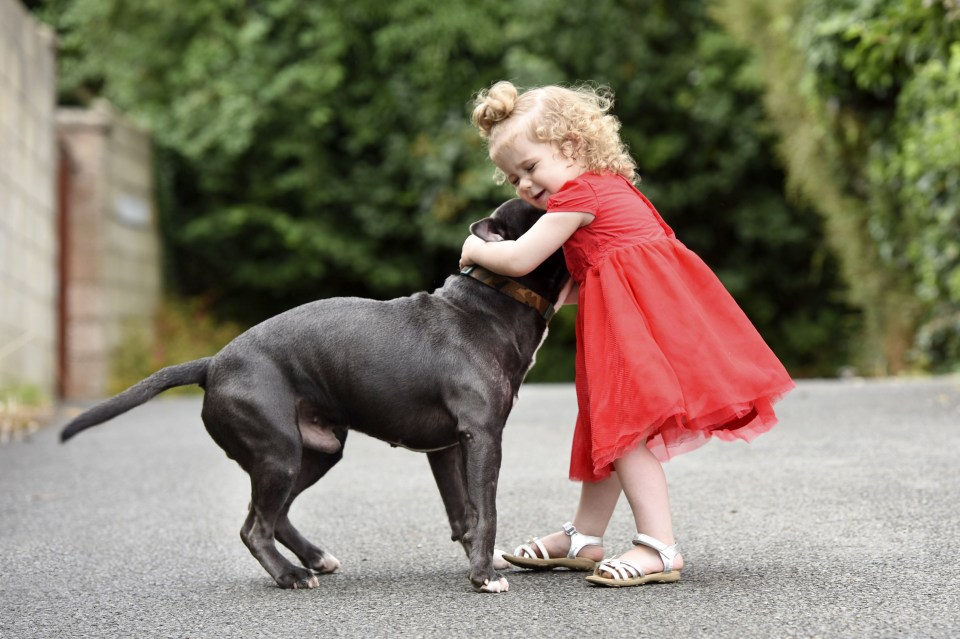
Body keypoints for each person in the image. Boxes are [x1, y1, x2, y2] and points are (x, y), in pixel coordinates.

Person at [460, 81, 795, 588]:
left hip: (639, 327)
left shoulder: (579, 194)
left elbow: (522, 258)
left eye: (530, 167)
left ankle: (658, 546)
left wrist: (474, 250)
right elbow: (587, 280)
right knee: (609, 427)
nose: (524, 186)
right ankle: (584, 537)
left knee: (626, 431)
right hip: (632, 319)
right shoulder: (604, 187)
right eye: (513, 178)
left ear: (571, 146)